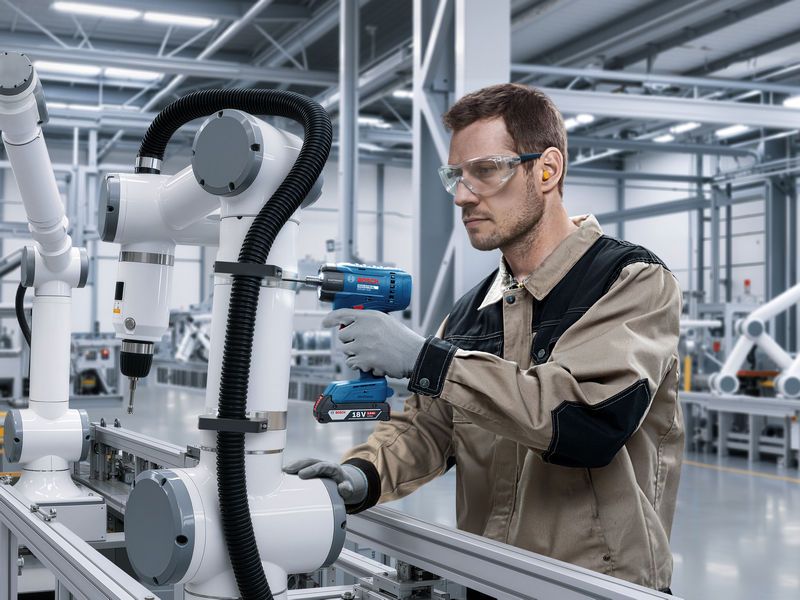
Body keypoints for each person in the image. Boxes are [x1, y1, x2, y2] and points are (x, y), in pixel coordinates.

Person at [285, 83, 683, 596]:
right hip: (487, 575)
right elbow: (431, 429)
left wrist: (427, 358)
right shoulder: (473, 309)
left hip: (595, 587)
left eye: (486, 170)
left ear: (547, 169)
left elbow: (585, 421)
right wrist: (361, 476)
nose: (462, 195)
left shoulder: (630, 279)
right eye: (455, 174)